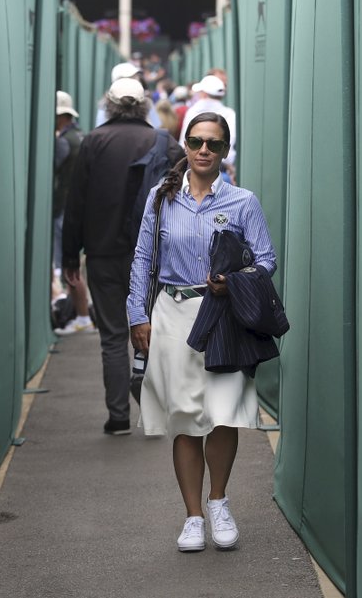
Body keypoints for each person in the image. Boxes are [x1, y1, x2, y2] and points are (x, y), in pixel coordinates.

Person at [127, 112, 276, 553]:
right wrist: (138, 314)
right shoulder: (161, 197)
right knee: (187, 420)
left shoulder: (243, 201)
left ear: (225, 151)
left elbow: (266, 259)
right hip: (174, 314)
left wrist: (235, 280)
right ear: (185, 147)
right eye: (195, 141)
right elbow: (142, 259)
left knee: (223, 411)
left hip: (224, 316)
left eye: (212, 143)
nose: (204, 149)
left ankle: (218, 501)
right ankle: (193, 516)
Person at [63, 77, 185, 435]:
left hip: (102, 253)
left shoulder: (93, 142)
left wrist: (71, 255)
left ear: (109, 105)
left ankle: (118, 416)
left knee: (113, 334)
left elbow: (77, 201)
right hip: (152, 255)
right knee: (153, 328)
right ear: (144, 105)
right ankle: (147, 390)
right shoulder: (164, 141)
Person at [52, 91, 93, 335]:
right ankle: (80, 313)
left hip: (65, 209)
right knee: (74, 264)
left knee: (68, 265)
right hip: (80, 208)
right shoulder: (82, 137)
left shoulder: (64, 141)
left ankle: (82, 316)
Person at [179, 74, 238, 168]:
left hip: (194, 162)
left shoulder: (192, 111)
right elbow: (231, 140)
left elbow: (183, 141)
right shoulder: (229, 113)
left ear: (204, 93)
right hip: (222, 164)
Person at [96, 61, 163, 129]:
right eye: (132, 77)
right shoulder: (105, 105)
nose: (137, 80)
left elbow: (156, 128)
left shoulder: (147, 102)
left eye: (136, 77)